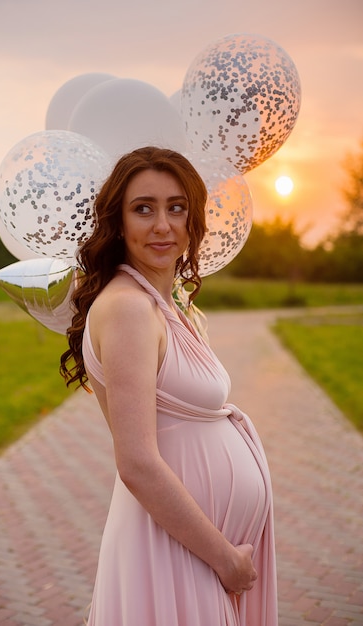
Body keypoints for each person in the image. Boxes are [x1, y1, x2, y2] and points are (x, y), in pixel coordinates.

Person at [60, 146, 278, 626]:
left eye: (176, 207)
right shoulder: (129, 310)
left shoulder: (162, 304)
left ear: (192, 218)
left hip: (185, 544)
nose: (163, 224)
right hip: (170, 549)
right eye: (144, 208)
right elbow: (136, 461)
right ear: (118, 222)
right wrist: (224, 559)